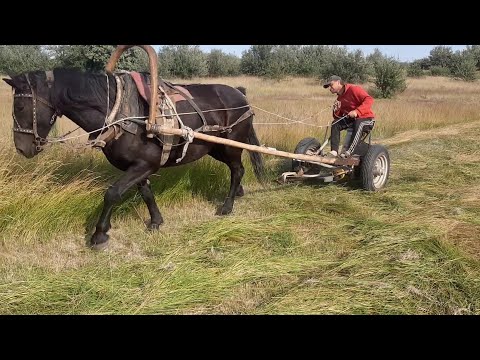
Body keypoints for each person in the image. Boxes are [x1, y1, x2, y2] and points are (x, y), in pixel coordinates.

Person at [323, 75, 375, 158]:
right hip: (352, 120)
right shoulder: (339, 98)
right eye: (328, 86)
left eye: (331, 85)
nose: (330, 88)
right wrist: (336, 109)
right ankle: (334, 151)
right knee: (335, 123)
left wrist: (357, 111)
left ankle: (349, 152)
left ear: (338, 82)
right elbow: (338, 117)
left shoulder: (353, 89)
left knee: (358, 123)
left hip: (366, 119)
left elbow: (369, 99)